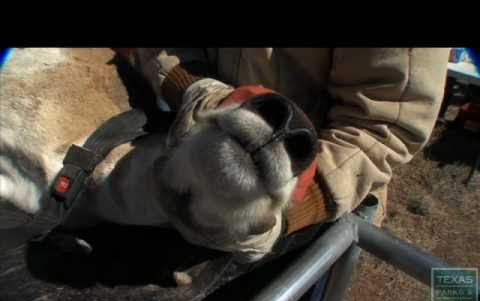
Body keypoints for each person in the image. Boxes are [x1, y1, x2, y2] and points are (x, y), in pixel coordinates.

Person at [114, 48, 450, 261]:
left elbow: (384, 128)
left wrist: (283, 220)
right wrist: (200, 92)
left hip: (311, 200)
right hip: (195, 136)